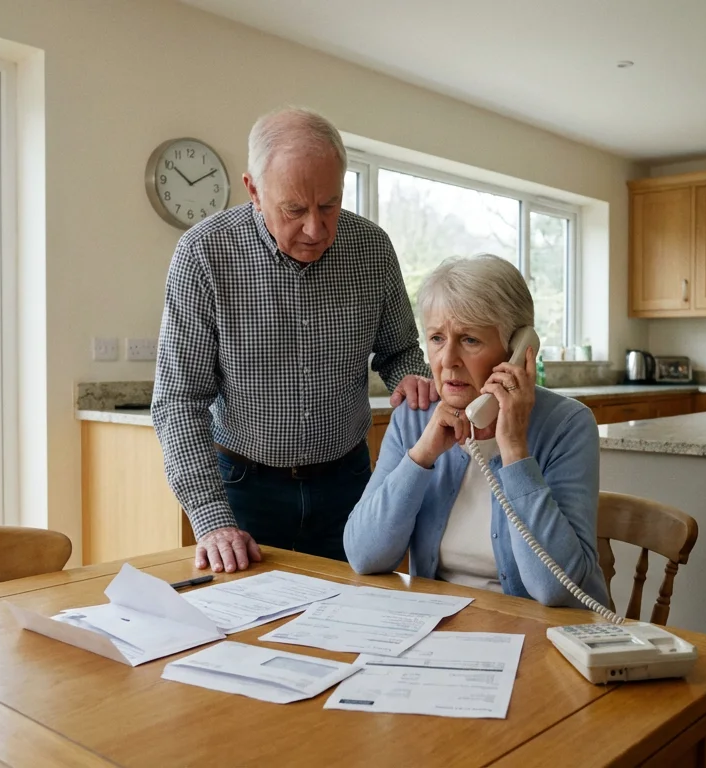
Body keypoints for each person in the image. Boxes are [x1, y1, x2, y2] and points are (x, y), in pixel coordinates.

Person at [152, 107, 436, 574]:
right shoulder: (204, 254)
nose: (315, 229)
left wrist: (413, 377)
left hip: (349, 483)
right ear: (253, 190)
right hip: (244, 490)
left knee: (353, 624)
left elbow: (400, 349)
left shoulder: (372, 249)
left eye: (329, 205)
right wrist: (211, 519)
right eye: (294, 209)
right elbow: (179, 401)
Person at [343, 255, 609, 608]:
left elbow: (554, 589)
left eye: (469, 340)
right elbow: (364, 556)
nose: (447, 359)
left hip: (547, 634)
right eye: (437, 338)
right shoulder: (415, 417)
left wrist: (514, 448)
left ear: (517, 350)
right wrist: (422, 454)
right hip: (445, 629)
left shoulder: (568, 424)